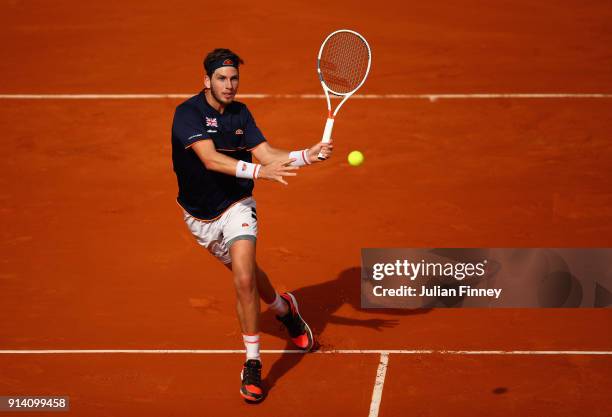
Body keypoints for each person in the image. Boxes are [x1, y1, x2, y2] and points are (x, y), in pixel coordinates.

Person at [171, 48, 333, 402]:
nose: (229, 85)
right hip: (199, 217)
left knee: (243, 277)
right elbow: (211, 159)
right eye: (222, 79)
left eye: (234, 79)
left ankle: (253, 363)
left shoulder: (241, 114)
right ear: (207, 81)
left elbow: (267, 154)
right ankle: (283, 308)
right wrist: (261, 172)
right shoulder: (187, 114)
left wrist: (307, 155)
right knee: (250, 277)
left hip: (237, 206)